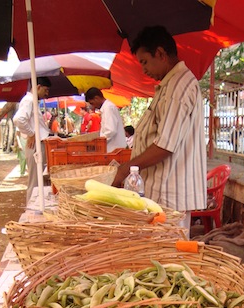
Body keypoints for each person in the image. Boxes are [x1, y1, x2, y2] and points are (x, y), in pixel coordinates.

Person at [113, 26, 207, 231]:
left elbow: (165, 145)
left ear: (161, 54)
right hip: (161, 193)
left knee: (170, 257)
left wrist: (126, 169)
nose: (144, 69)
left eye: (145, 62)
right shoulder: (169, 85)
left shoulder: (179, 87)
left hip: (170, 196)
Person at [13, 77, 52, 203]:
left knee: (40, 179)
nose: (47, 94)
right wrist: (32, 134)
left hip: (39, 144)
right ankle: (31, 209)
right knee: (36, 181)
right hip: (36, 145)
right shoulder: (29, 100)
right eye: (45, 90)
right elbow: (18, 119)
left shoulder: (31, 100)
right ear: (38, 87)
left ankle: (38, 206)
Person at [85, 87, 125, 152]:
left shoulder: (108, 108)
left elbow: (111, 130)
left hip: (114, 149)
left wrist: (98, 142)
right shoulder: (107, 108)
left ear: (96, 98)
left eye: (92, 103)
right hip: (112, 148)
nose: (93, 106)